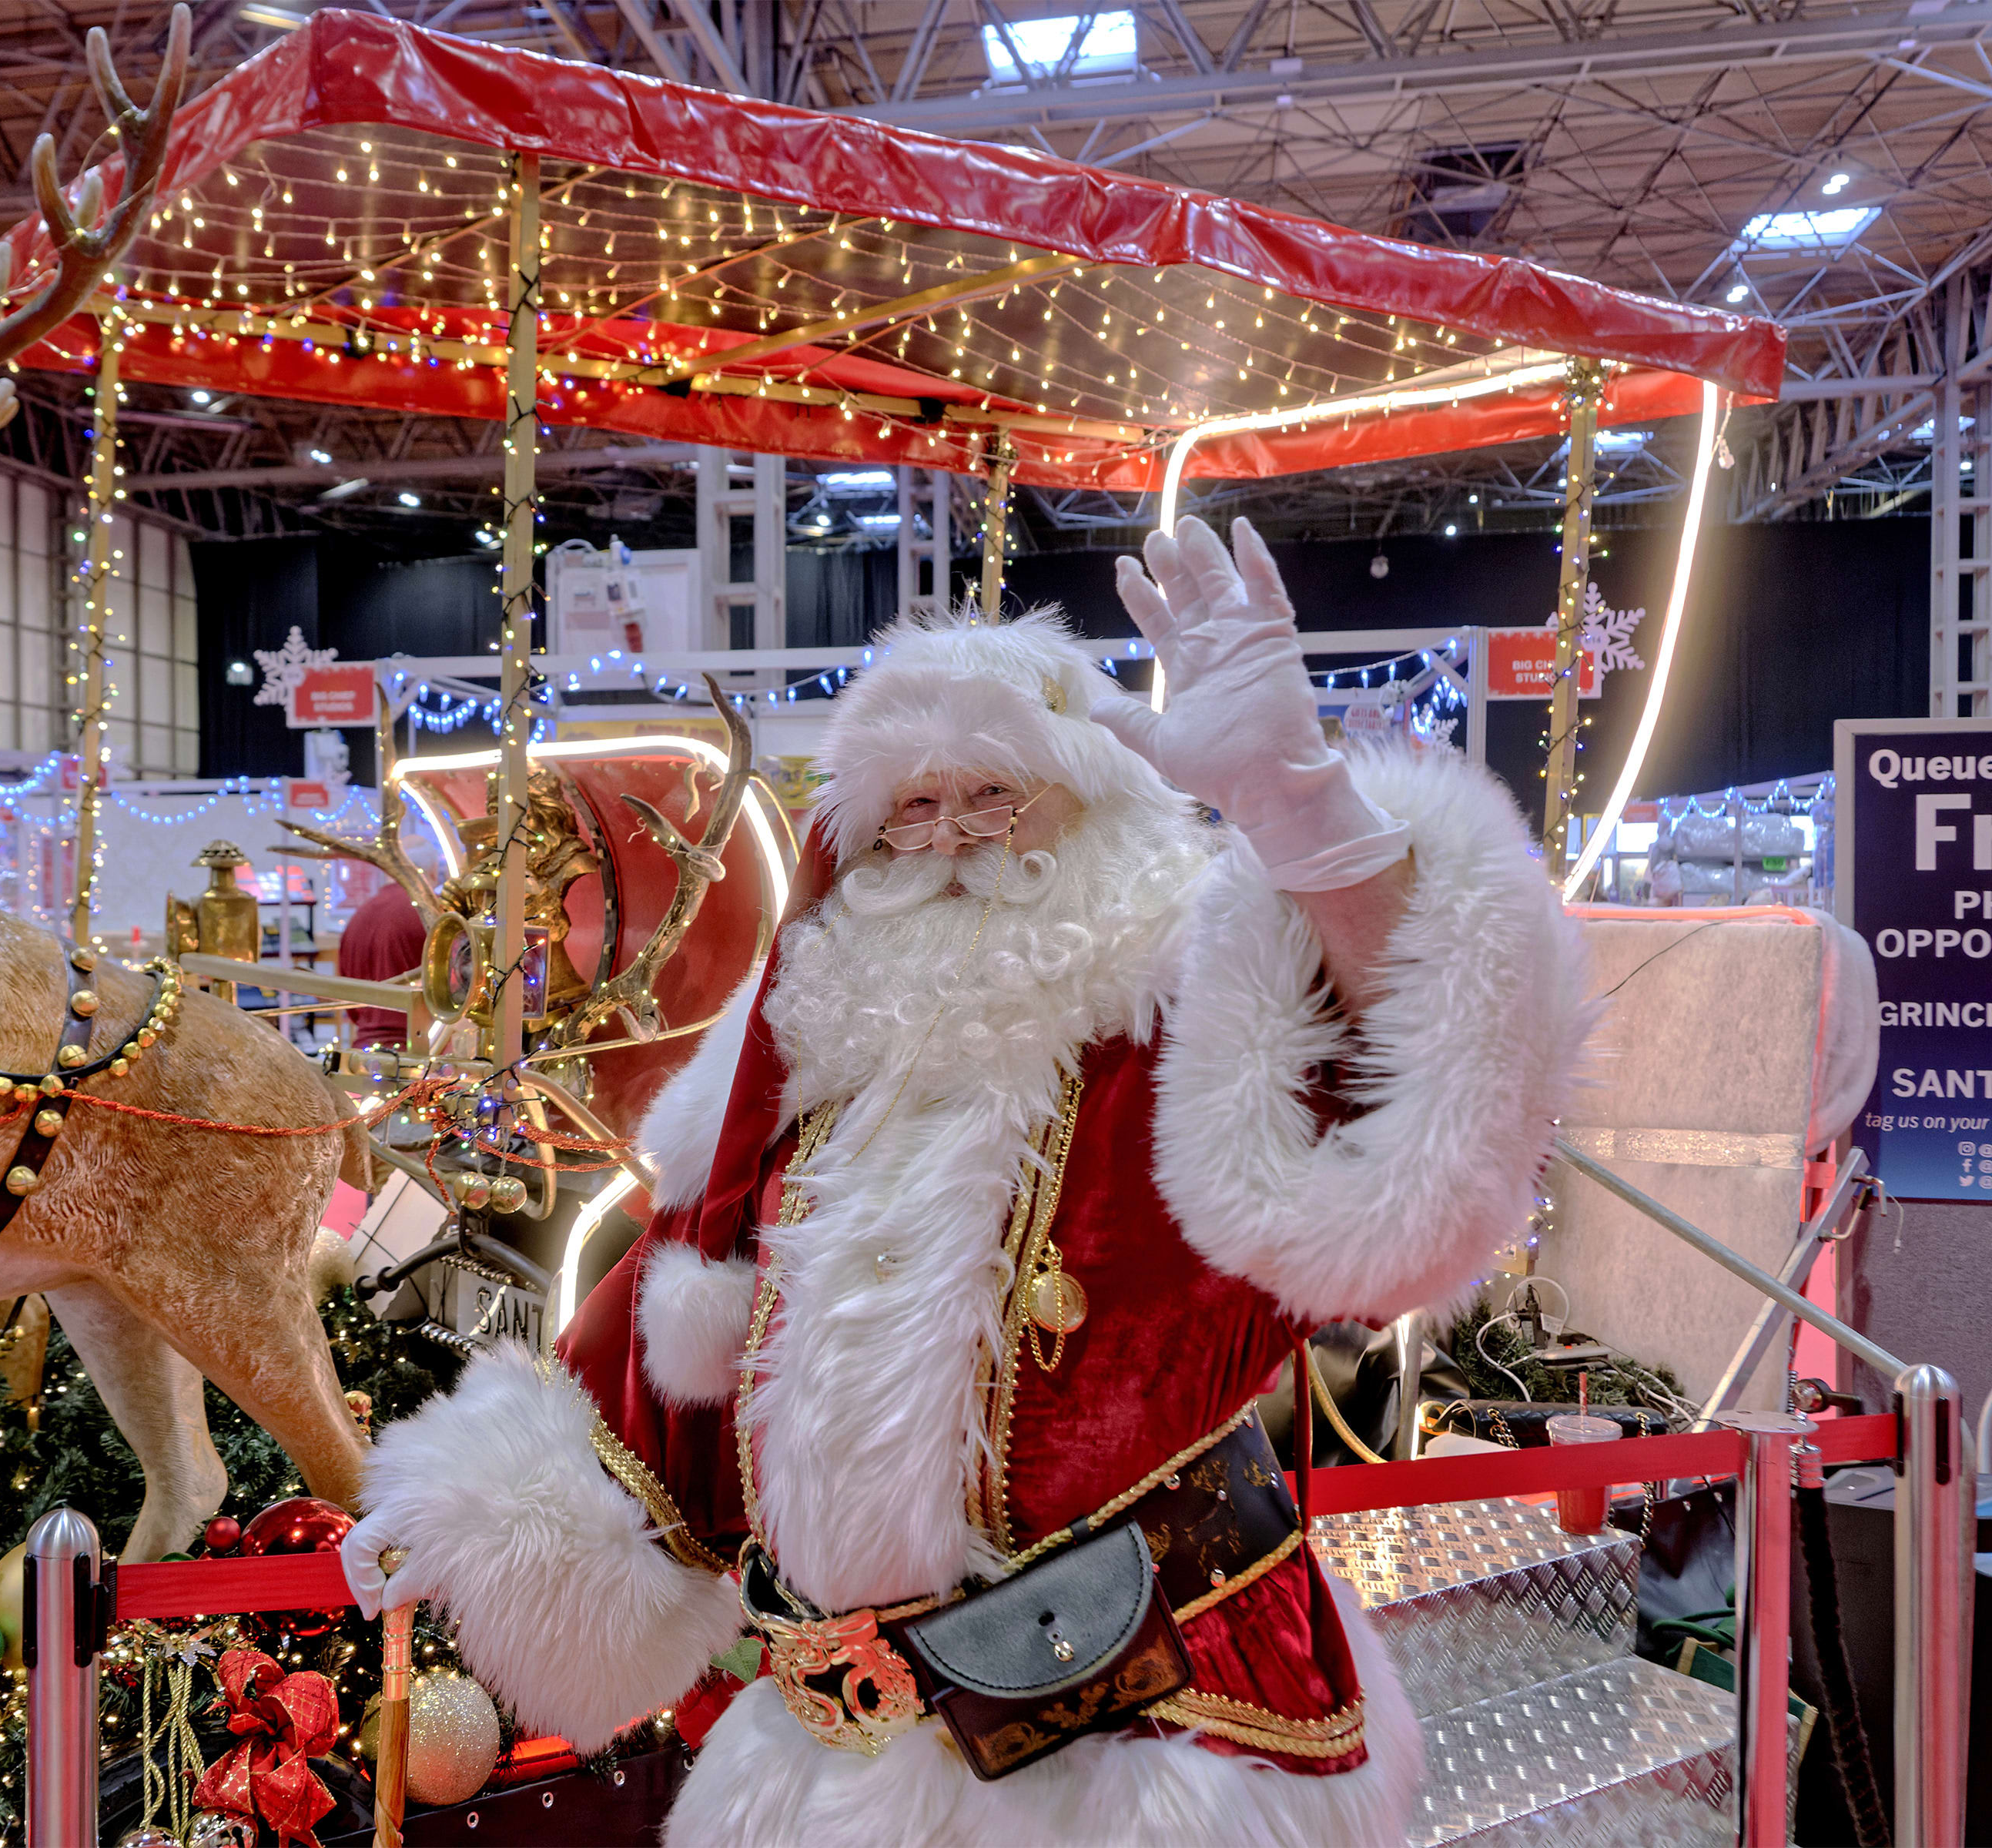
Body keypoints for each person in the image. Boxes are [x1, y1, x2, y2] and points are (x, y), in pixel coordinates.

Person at [340, 517, 1589, 1846]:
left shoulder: (1183, 1016)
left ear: (1093, 805)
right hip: (834, 1756)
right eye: (909, 812)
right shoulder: (808, 1083)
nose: (947, 845)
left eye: (993, 798)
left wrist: (1306, 814)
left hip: (1149, 1742)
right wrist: (483, 1513)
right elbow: (684, 1348)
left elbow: (1424, 1089)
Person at [335, 877, 426, 1048]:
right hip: (416, 1053)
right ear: (433, 874)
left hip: (363, 1051)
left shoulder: (360, 915)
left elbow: (348, 995)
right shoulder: (426, 913)